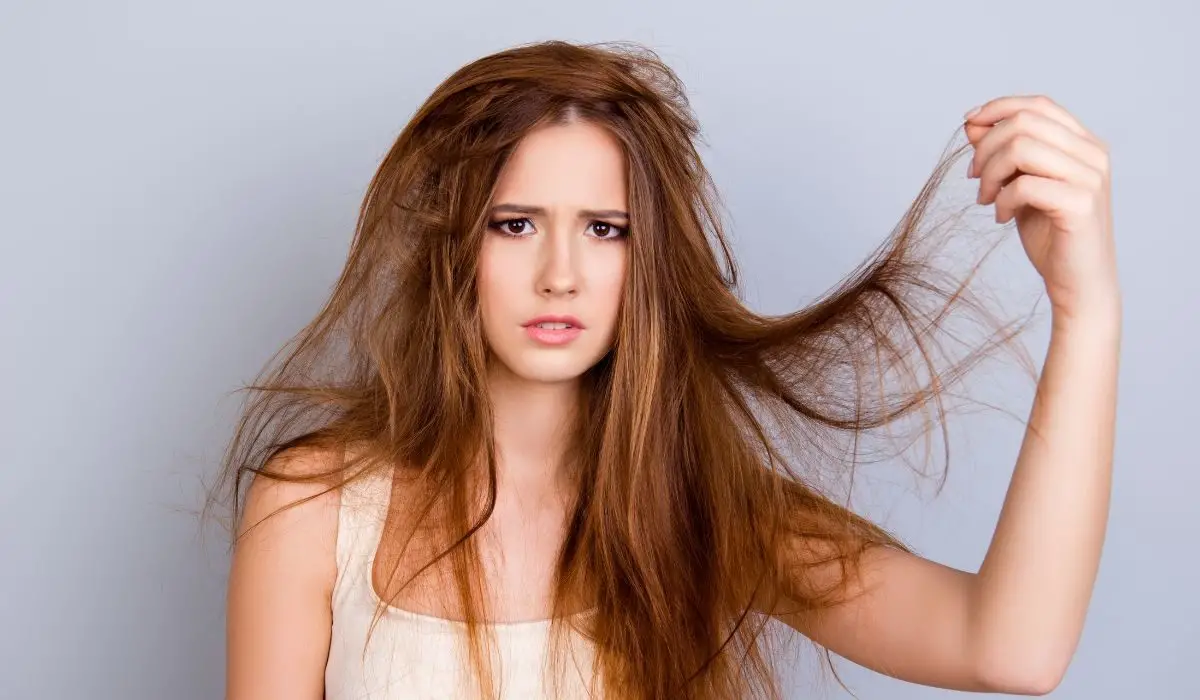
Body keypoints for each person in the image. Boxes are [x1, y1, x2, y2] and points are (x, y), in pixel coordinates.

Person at [210, 39, 1119, 700]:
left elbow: (1008, 650)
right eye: (515, 223)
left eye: (605, 230)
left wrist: (1087, 312)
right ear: (456, 246)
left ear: (647, 262)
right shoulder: (313, 508)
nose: (559, 272)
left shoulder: (704, 511)